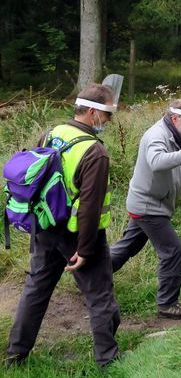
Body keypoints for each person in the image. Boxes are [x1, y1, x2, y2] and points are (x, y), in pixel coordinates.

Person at [6, 84, 121, 368]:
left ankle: (15, 355)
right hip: (76, 234)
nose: (109, 120)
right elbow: (90, 208)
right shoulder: (95, 152)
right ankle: (108, 360)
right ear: (93, 112)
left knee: (36, 289)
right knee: (99, 294)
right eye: (107, 114)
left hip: (44, 226)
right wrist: (85, 248)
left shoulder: (53, 133)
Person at [110, 99, 181, 320]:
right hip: (148, 206)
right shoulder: (156, 135)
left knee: (128, 246)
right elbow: (157, 161)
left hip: (148, 202)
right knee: (172, 251)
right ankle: (167, 304)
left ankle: (90, 275)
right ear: (175, 118)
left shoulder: (173, 133)